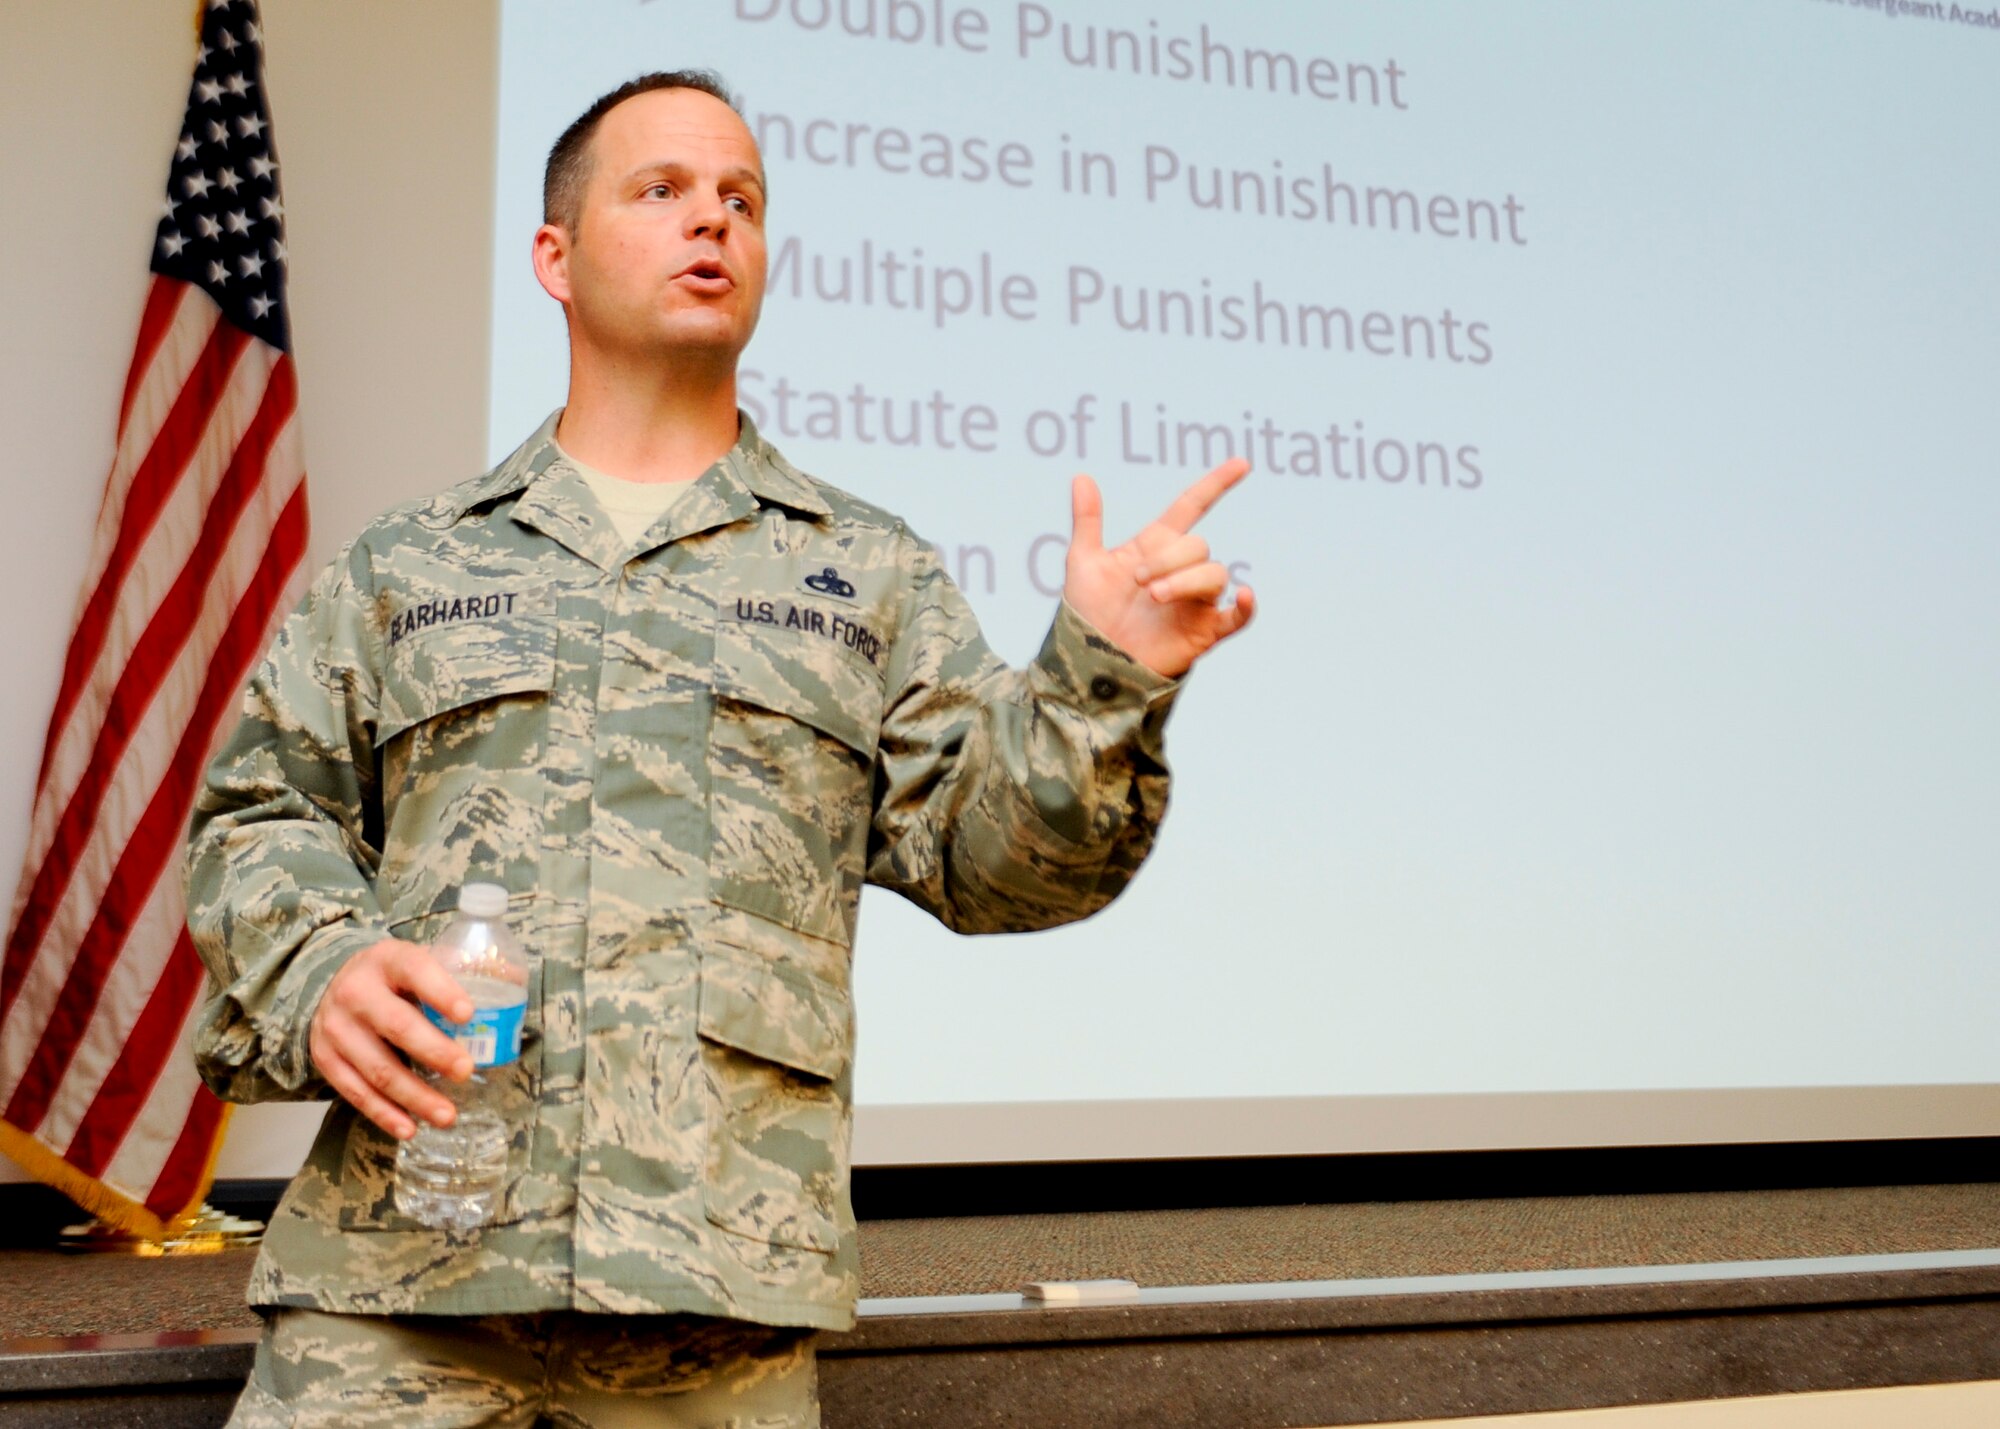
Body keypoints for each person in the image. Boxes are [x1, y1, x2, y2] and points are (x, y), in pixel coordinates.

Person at [186, 69, 1255, 1427]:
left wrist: (1103, 676)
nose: (714, 220)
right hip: (400, 1277)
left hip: (713, 1300)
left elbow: (1003, 866)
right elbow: (256, 817)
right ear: (554, 258)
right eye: (663, 190)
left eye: (742, 199)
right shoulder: (410, 563)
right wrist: (325, 966)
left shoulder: (866, 574)